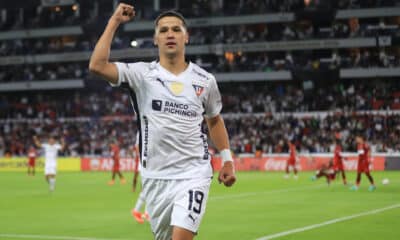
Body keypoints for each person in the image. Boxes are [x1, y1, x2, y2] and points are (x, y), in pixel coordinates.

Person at [89, 5, 236, 240]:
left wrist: (227, 160)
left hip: (193, 173)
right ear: (155, 39)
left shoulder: (205, 80)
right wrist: (114, 20)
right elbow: (97, 65)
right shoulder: (141, 74)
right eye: (164, 30)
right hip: (155, 178)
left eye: (176, 29)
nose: (170, 34)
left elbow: (214, 120)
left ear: (186, 37)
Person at [131, 133, 150, 224]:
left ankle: (147, 212)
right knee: (146, 189)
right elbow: (137, 146)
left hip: (151, 163)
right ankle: (136, 210)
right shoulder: (142, 130)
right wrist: (144, 157)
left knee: (150, 189)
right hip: (145, 163)